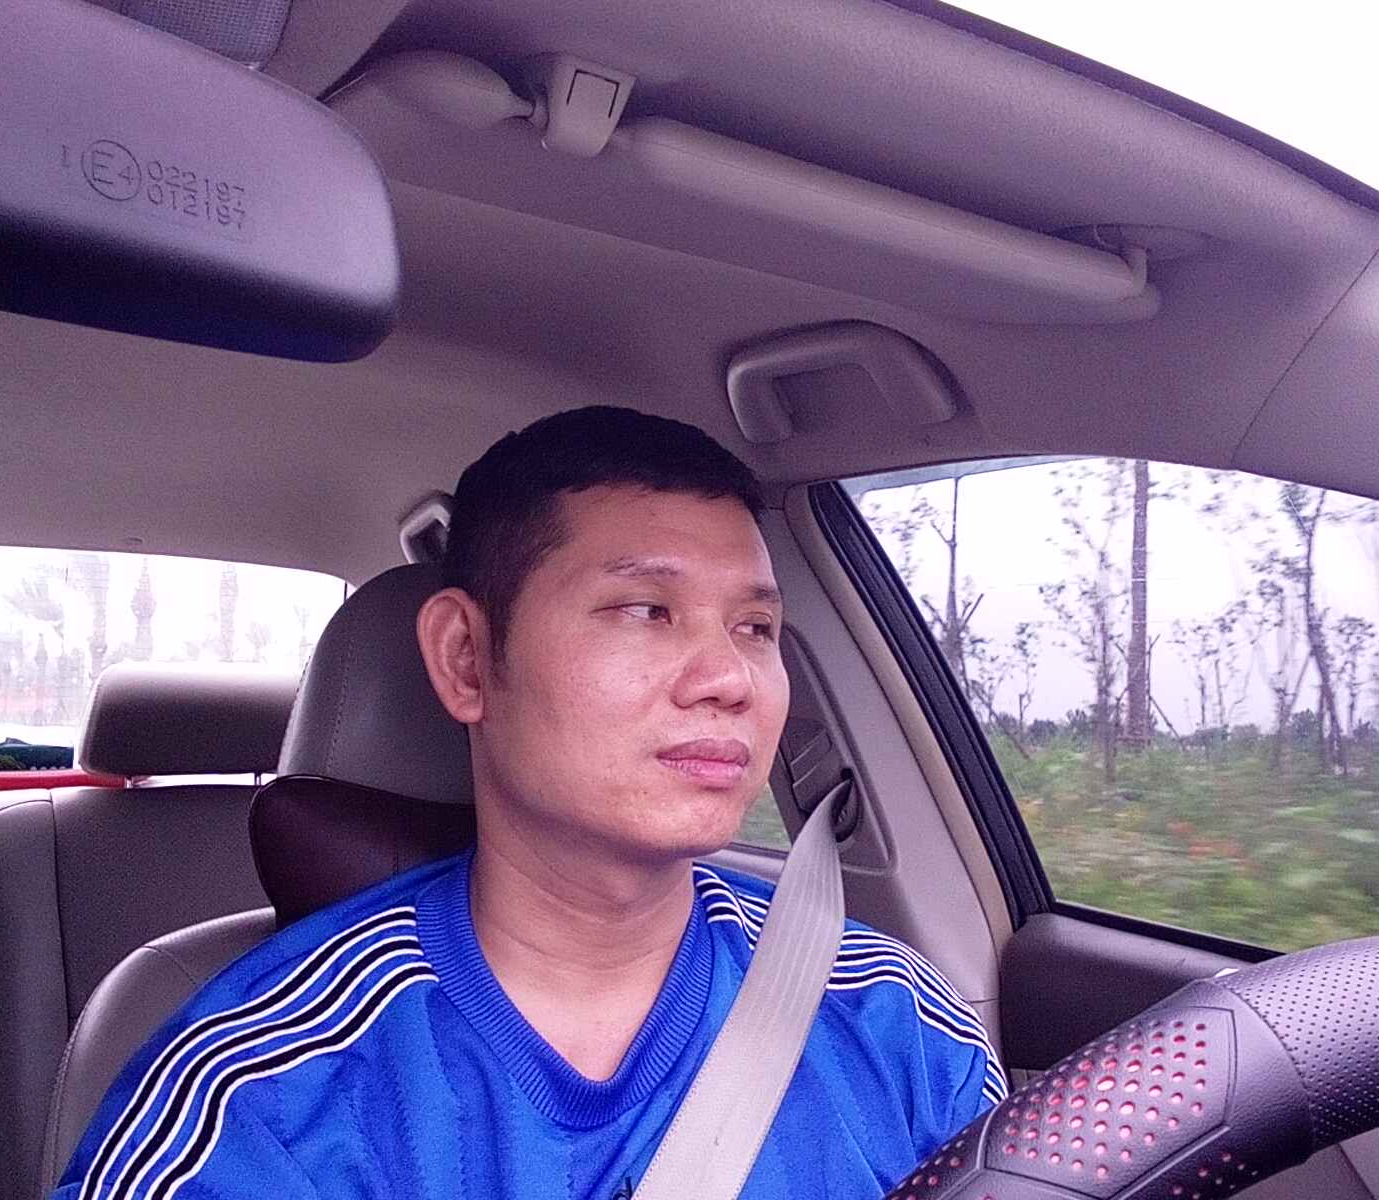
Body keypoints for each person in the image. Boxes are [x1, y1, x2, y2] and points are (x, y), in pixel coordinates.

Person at [52, 405, 1005, 1200]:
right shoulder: (262, 1101)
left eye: (756, 627)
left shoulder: (897, 1022)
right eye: (647, 610)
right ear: (467, 659)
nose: (731, 678)